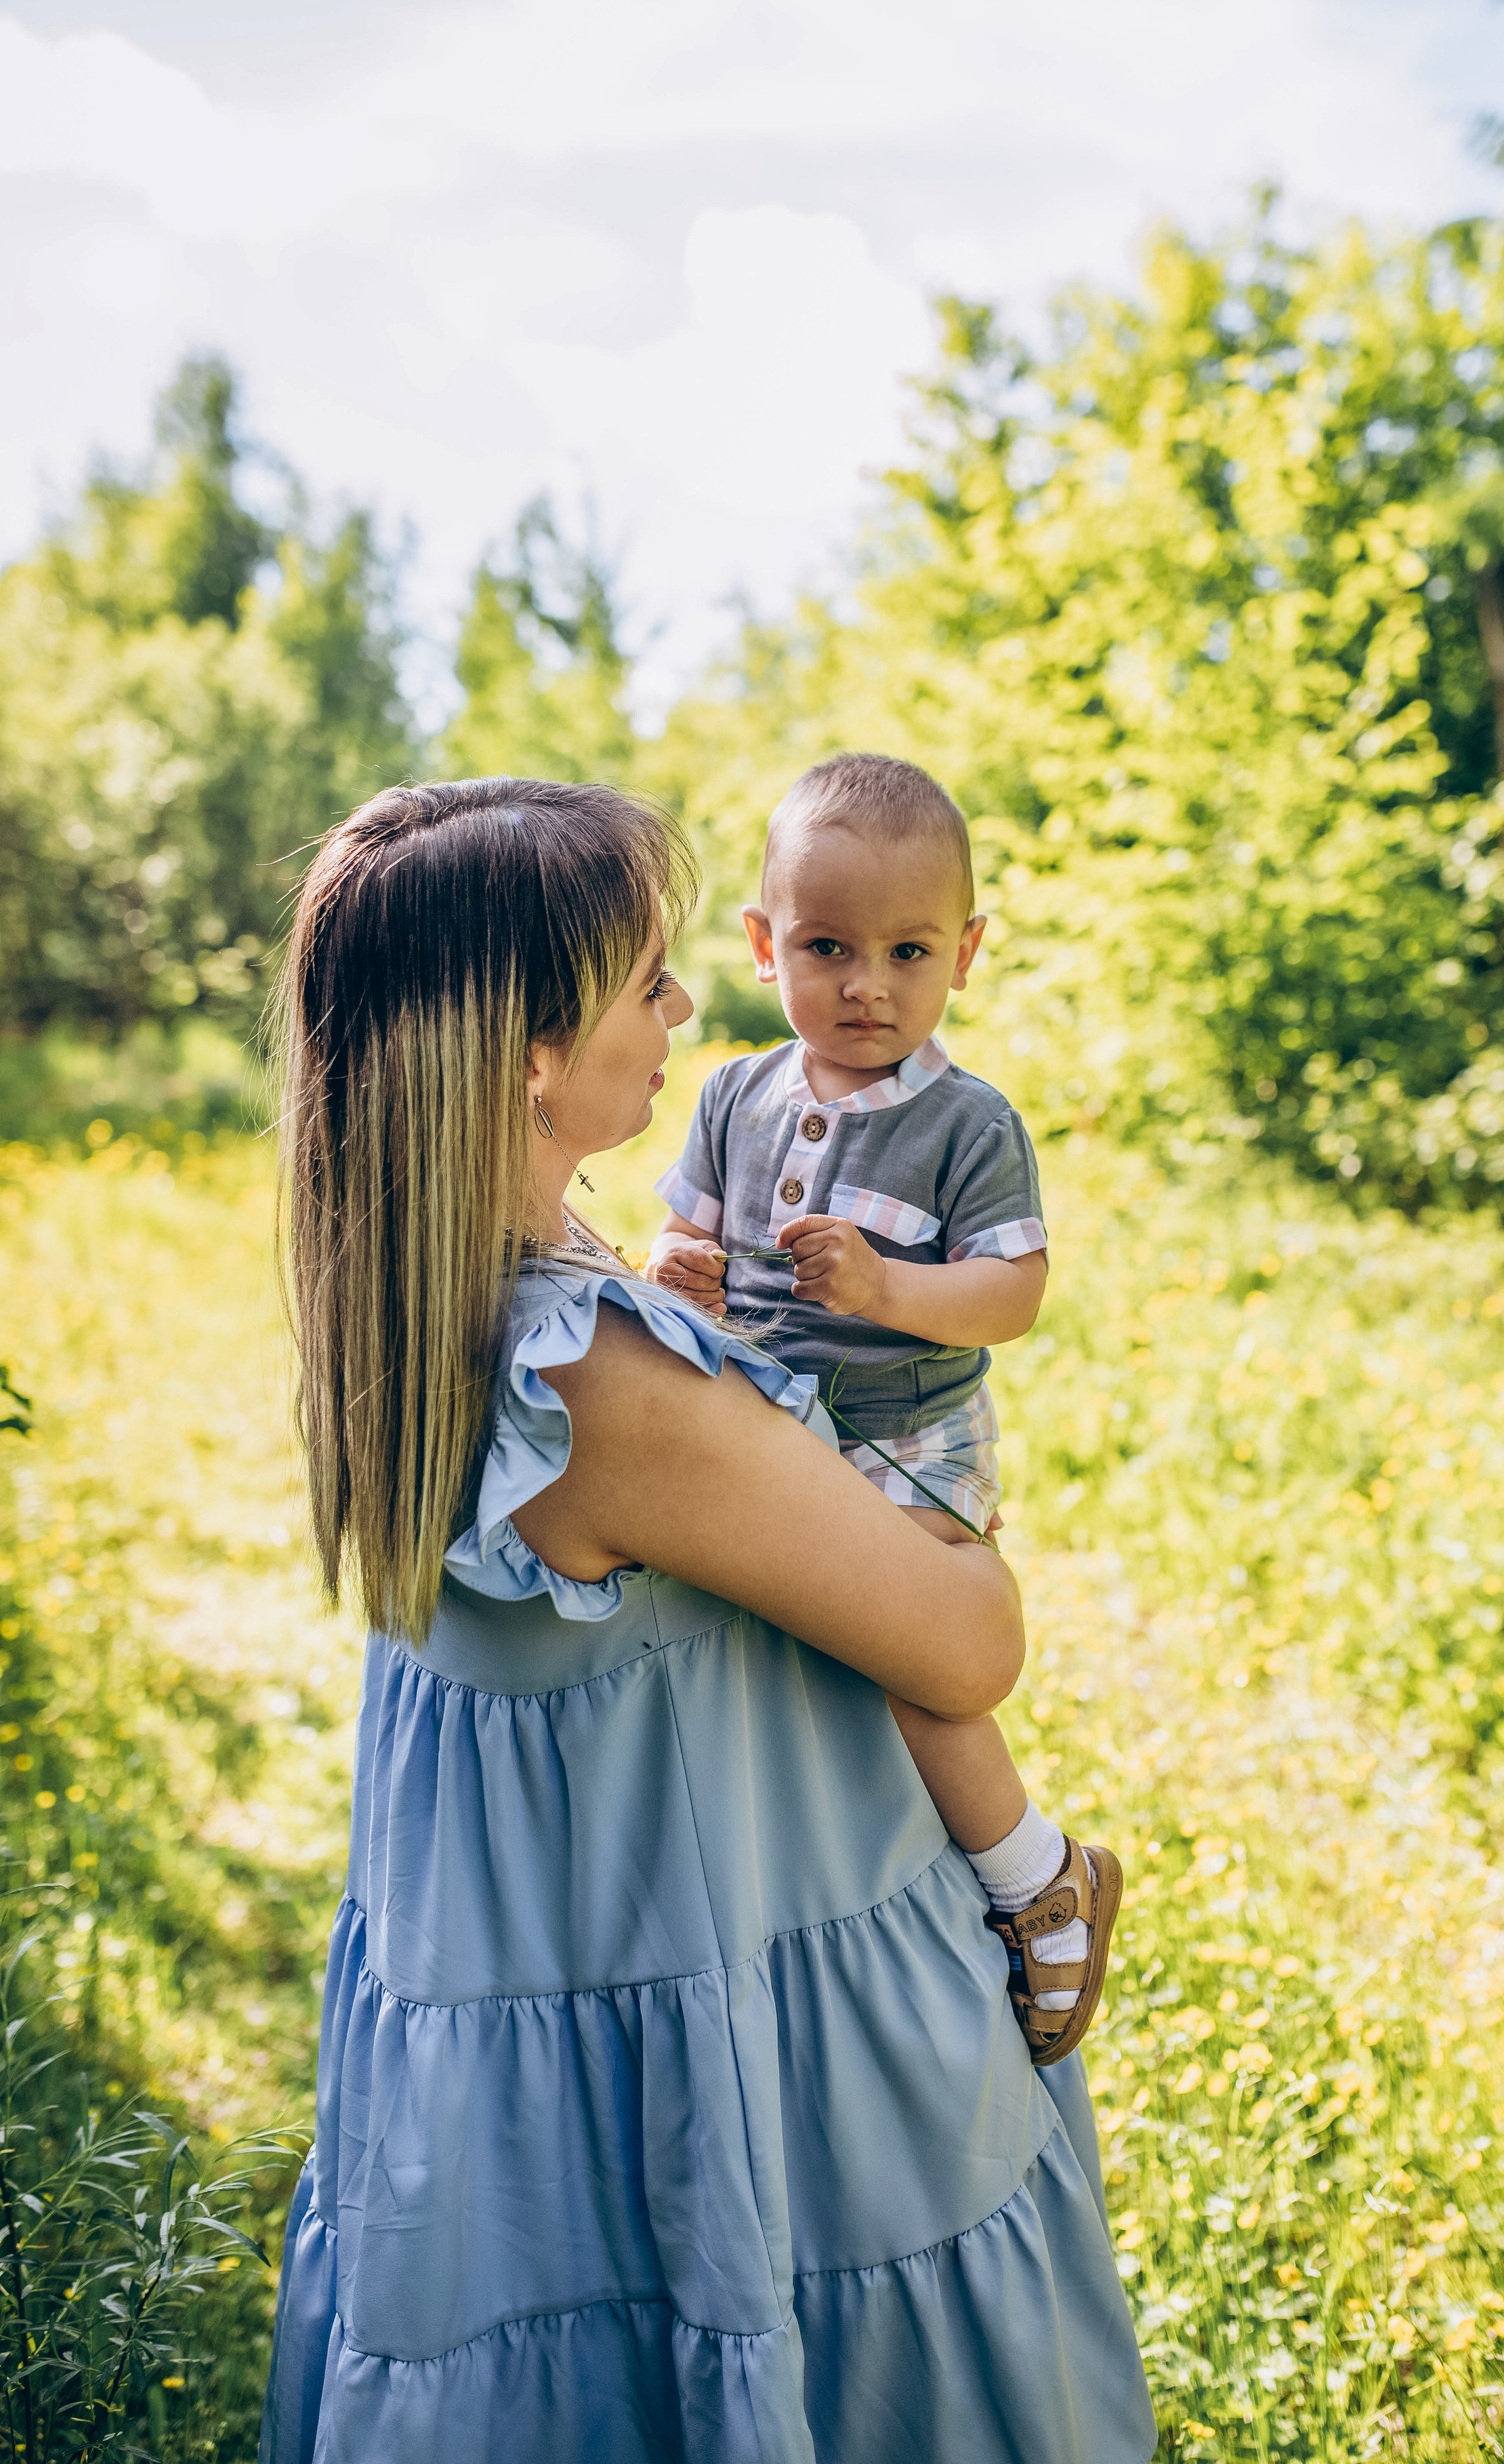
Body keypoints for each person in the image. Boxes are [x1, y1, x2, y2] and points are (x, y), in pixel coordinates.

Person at [260, 776, 1154, 2464]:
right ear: (534, 1056)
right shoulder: (600, 1382)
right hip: (730, 2000)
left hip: (540, 1999)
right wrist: (937, 1517)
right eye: (641, 980)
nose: (681, 1008)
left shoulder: (422, 1299)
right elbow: (964, 1648)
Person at [648, 753, 1120, 2064]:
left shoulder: (969, 1126)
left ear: (964, 955)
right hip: (765, 1422)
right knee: (767, 1642)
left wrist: (890, 1289)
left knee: (912, 1650)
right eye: (828, 948)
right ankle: (826, 1873)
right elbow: (682, 1233)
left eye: (909, 952)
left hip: (911, 1438)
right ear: (764, 947)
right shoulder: (734, 1097)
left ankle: (1037, 1878)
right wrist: (677, 1267)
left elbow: (1013, 1294)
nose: (868, 985)